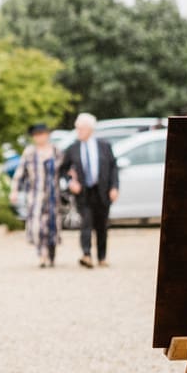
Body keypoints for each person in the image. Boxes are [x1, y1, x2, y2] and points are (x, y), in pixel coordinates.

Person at [58, 112, 119, 268]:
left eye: (81, 129)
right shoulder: (73, 149)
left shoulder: (104, 146)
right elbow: (63, 170)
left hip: (102, 191)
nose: (78, 132)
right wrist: (70, 182)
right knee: (86, 223)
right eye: (77, 128)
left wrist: (114, 187)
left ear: (90, 129)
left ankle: (102, 256)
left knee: (102, 225)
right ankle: (86, 255)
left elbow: (113, 168)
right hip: (83, 193)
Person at [9, 122, 62, 267]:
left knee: (52, 226)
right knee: (37, 226)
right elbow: (20, 173)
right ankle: (42, 255)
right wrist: (14, 191)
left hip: (53, 195)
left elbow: (64, 169)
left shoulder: (56, 151)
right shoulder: (30, 152)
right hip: (35, 195)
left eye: (42, 134)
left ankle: (51, 253)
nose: (40, 137)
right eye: (37, 135)